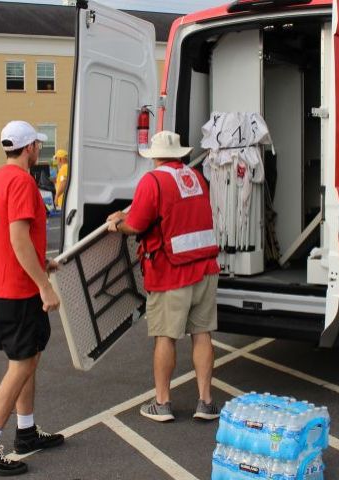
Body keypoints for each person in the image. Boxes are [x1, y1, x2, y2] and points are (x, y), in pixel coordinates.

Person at [0, 121, 63, 476]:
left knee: (29, 356)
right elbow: (18, 238)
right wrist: (44, 284)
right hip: (17, 290)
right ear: (30, 149)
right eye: (38, 144)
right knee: (21, 365)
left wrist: (43, 263)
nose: (39, 149)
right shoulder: (23, 182)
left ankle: (26, 431)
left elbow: (6, 239)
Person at [107, 131, 221, 423]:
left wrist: (117, 222)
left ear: (155, 156)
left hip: (171, 271)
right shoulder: (196, 177)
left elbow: (136, 224)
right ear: (180, 153)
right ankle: (206, 402)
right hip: (205, 266)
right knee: (202, 334)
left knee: (166, 337)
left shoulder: (154, 180)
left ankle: (162, 403)